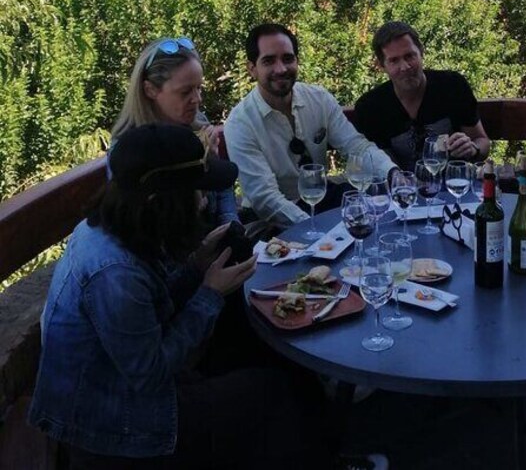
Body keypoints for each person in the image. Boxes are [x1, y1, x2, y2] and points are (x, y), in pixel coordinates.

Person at [27, 124, 328, 469]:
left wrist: (196, 266)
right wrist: (210, 294)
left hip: (116, 393)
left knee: (260, 361)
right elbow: (150, 374)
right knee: (273, 392)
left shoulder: (112, 225)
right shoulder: (115, 273)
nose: (203, 201)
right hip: (111, 429)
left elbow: (147, 313)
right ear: (158, 202)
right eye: (195, 191)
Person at [224, 23, 397, 232]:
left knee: (382, 218)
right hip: (272, 219)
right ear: (252, 68)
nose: (281, 69)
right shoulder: (240, 123)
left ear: (297, 61)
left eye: (288, 59)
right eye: (269, 61)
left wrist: (393, 174)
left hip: (319, 199)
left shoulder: (319, 99)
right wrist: (313, 227)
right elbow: (265, 198)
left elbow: (356, 146)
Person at [111, 36, 239, 227]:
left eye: (199, 88)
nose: (197, 99)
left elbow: (224, 188)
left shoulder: (197, 122)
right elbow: (151, 226)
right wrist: (201, 170)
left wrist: (231, 225)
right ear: (150, 90)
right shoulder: (129, 152)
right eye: (185, 92)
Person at [354, 21, 491, 171]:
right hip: (400, 184)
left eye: (409, 56)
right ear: (381, 66)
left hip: (453, 181)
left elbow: (481, 140)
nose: (405, 67)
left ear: (421, 52)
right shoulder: (370, 107)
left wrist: (473, 149)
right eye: (394, 60)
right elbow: (377, 165)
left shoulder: (452, 86)